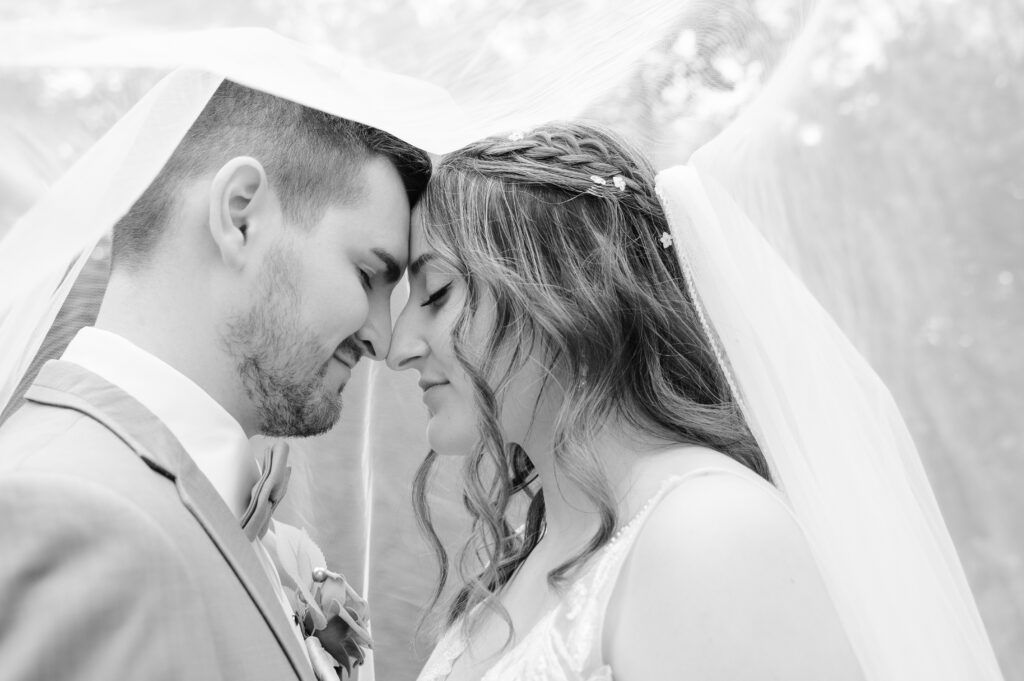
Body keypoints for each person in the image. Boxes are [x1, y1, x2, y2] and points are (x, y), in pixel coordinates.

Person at [388, 121, 865, 680]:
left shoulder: (712, 533)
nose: (399, 347)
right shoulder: (520, 563)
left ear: (565, 287)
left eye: (438, 293)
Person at [0, 79, 429, 680]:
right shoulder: (63, 517)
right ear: (240, 215)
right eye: (367, 275)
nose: (383, 340)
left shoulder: (224, 518)